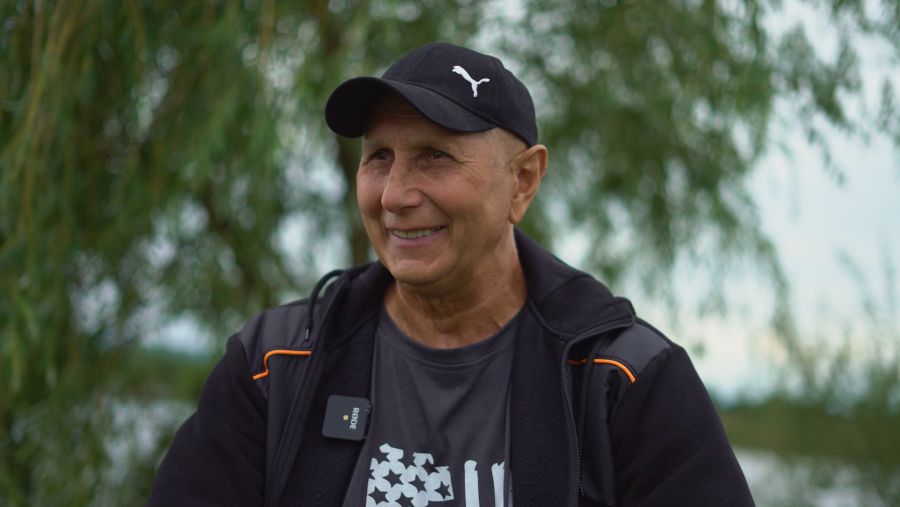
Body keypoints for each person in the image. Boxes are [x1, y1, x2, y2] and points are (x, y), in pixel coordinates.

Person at [147, 42, 754, 507]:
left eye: (435, 156)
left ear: (522, 181)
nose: (395, 195)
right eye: (379, 158)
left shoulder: (621, 379)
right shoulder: (275, 364)